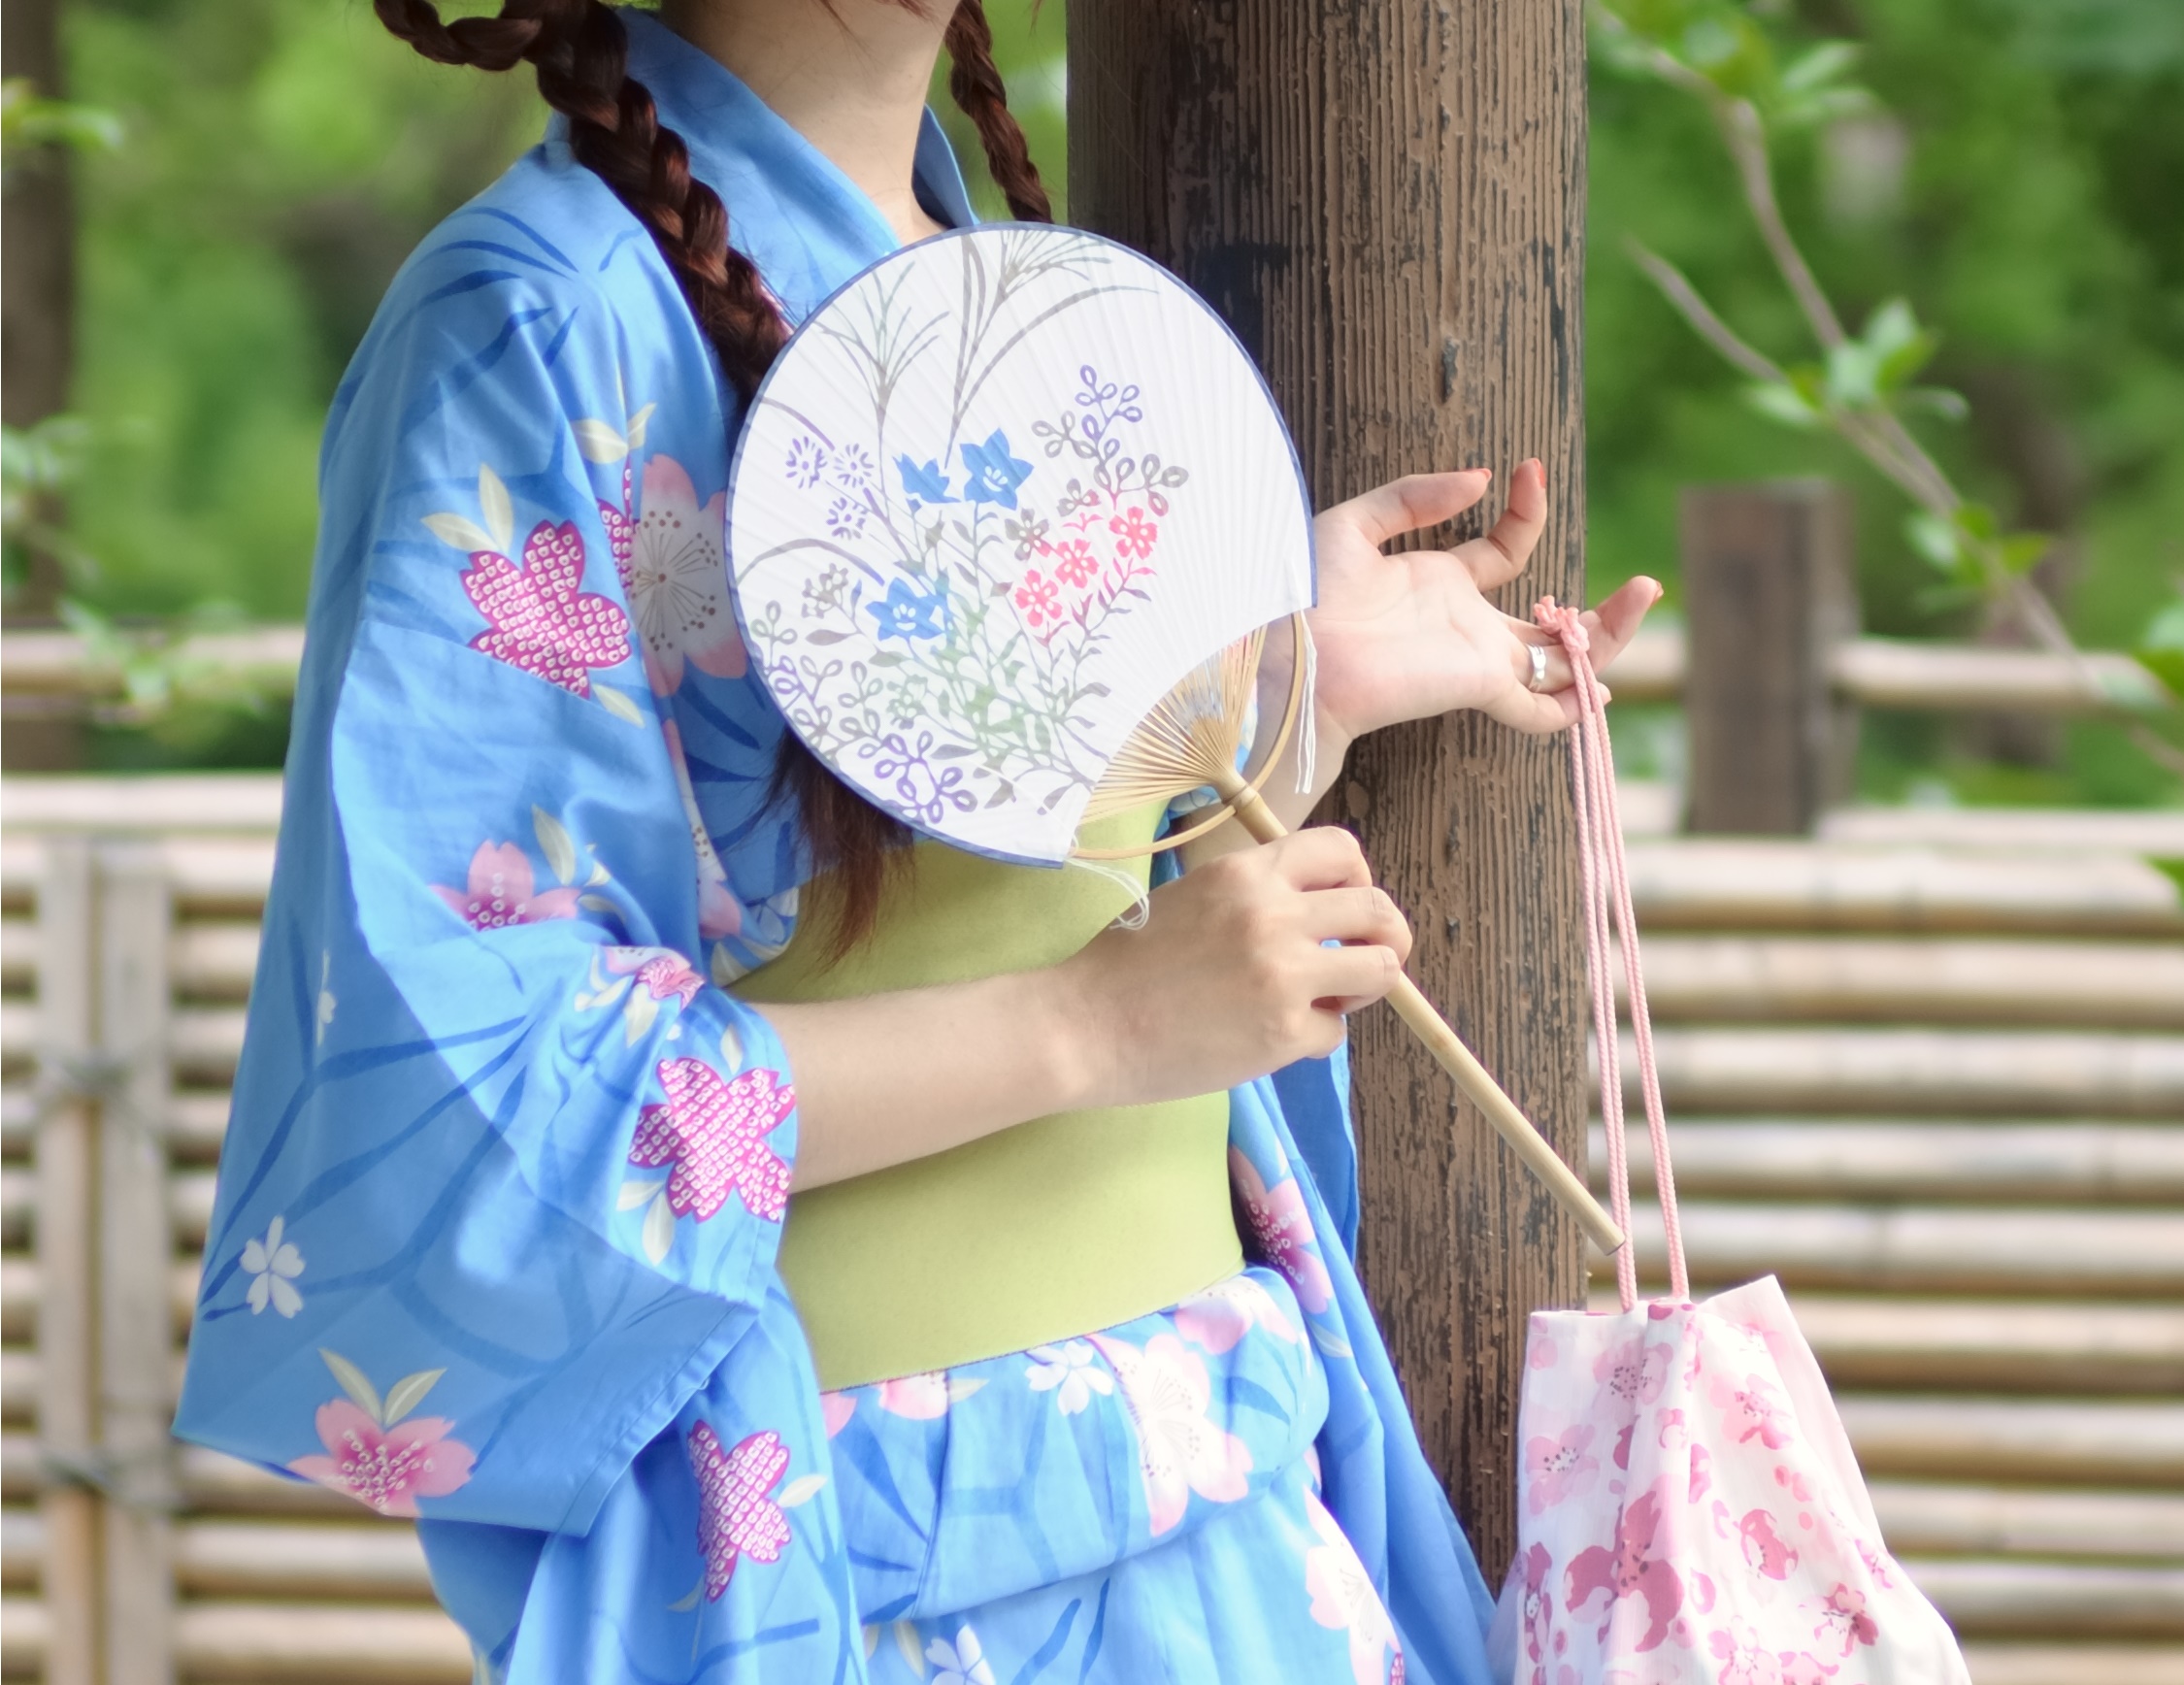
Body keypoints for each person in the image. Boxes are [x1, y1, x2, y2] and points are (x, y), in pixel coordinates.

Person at [168, 2, 1656, 1680]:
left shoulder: (983, 274)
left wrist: (1292, 683)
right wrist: (1096, 1024)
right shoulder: (533, 318)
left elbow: (1022, 882)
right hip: (883, 1546)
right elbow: (483, 1092)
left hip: (1230, 1470)